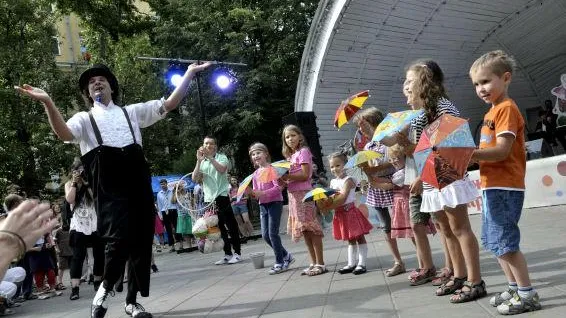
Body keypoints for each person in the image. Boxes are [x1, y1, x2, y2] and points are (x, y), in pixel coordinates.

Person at [15, 61, 210, 318]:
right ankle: (104, 289)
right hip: (108, 184)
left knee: (141, 241)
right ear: (87, 92)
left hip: (137, 179)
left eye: (101, 79)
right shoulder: (84, 119)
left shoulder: (131, 113)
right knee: (118, 239)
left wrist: (189, 73)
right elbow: (63, 133)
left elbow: (169, 104)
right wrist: (47, 102)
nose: (96, 82)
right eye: (91, 81)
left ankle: (132, 303)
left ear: (111, 86)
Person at [396, 60, 484, 301]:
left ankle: (475, 281)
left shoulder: (444, 107)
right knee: (445, 229)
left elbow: (454, 146)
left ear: (426, 80)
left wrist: (414, 147)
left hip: (449, 172)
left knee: (459, 227)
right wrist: (402, 144)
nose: (406, 87)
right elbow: (422, 150)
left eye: (410, 81)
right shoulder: (419, 115)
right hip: (431, 175)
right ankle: (458, 275)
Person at [470, 50, 541, 315]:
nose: (481, 89)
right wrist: (466, 160)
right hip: (492, 185)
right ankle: (513, 288)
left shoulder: (507, 110)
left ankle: (527, 294)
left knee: (506, 242)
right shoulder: (492, 112)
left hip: (505, 187)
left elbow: (501, 151)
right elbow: (489, 155)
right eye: (476, 84)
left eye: (486, 81)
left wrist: (468, 154)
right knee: (494, 241)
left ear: (506, 78)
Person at [353, 108, 407, 278]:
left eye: (364, 125)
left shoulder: (388, 141)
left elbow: (392, 162)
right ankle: (398, 261)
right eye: (360, 127)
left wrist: (372, 169)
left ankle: (422, 259)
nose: (361, 129)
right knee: (386, 226)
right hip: (377, 187)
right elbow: (370, 169)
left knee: (406, 222)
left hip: (394, 184)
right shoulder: (368, 146)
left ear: (375, 123)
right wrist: (364, 168)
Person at [280, 125, 326, 276]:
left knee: (311, 228)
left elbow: (306, 175)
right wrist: (282, 180)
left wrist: (288, 177)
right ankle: (313, 262)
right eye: (287, 137)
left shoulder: (303, 152)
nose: (290, 139)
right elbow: (290, 179)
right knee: (305, 230)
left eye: (293, 135)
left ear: (300, 136)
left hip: (304, 194)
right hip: (293, 195)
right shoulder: (290, 157)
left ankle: (320, 263)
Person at [318, 152, 373, 275]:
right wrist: (323, 201)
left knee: (359, 237)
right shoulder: (332, 182)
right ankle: (351, 263)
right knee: (350, 239)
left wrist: (328, 207)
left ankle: (362, 263)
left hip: (350, 212)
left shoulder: (349, 180)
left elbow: (342, 198)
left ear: (346, 165)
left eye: (338, 165)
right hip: (340, 213)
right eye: (332, 167)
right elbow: (333, 197)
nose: (334, 169)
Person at [192, 136, 242, 265]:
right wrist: (198, 161)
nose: (208, 145)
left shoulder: (221, 157)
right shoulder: (202, 162)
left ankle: (237, 253)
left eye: (210, 143)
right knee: (218, 229)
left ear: (215, 146)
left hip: (221, 196)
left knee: (231, 225)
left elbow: (222, 169)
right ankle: (227, 253)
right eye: (205, 143)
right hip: (209, 200)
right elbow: (194, 178)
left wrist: (210, 158)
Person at [248, 143, 295, 275]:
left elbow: (278, 188)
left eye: (258, 153)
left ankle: (279, 262)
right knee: (265, 235)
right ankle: (287, 256)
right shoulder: (255, 174)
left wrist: (262, 193)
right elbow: (256, 191)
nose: (256, 156)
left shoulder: (272, 169)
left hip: (275, 203)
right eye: (253, 154)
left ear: (266, 154)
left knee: (273, 234)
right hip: (263, 204)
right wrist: (252, 192)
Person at [65, 161, 105, 300]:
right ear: (73, 172)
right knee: (78, 256)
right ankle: (75, 288)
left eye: (82, 170)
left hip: (94, 223)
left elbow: (97, 198)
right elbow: (70, 200)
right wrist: (75, 183)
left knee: (99, 254)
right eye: (77, 170)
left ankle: (97, 281)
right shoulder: (69, 184)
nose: (80, 173)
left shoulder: (92, 181)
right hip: (78, 225)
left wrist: (87, 183)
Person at [0, 200, 57, 294]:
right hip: (30, 252)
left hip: (31, 250)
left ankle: (28, 292)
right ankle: (31, 291)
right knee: (32, 272)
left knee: (21, 272)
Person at [156, 179, 182, 252]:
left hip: (173, 210)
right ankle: (172, 246)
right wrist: (160, 215)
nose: (162, 185)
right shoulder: (159, 194)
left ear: (166, 184)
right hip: (164, 212)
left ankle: (180, 244)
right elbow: (159, 205)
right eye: (161, 184)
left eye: (164, 184)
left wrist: (178, 211)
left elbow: (176, 202)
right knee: (168, 229)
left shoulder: (172, 191)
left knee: (177, 227)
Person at [229, 176, 254, 241]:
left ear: (237, 181)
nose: (234, 181)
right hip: (234, 206)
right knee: (239, 222)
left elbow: (247, 197)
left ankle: (251, 234)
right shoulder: (230, 190)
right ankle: (245, 236)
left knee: (246, 220)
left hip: (242, 205)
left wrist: (239, 198)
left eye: (235, 180)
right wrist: (233, 198)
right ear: (230, 182)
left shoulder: (241, 187)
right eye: (232, 180)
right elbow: (230, 200)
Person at [171, 182, 193, 250]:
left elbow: (192, 202)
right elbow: (173, 201)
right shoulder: (176, 196)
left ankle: (195, 242)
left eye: (180, 187)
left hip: (189, 214)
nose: (179, 188)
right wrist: (176, 192)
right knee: (185, 231)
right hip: (181, 215)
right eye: (177, 187)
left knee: (192, 229)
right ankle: (189, 245)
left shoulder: (187, 193)